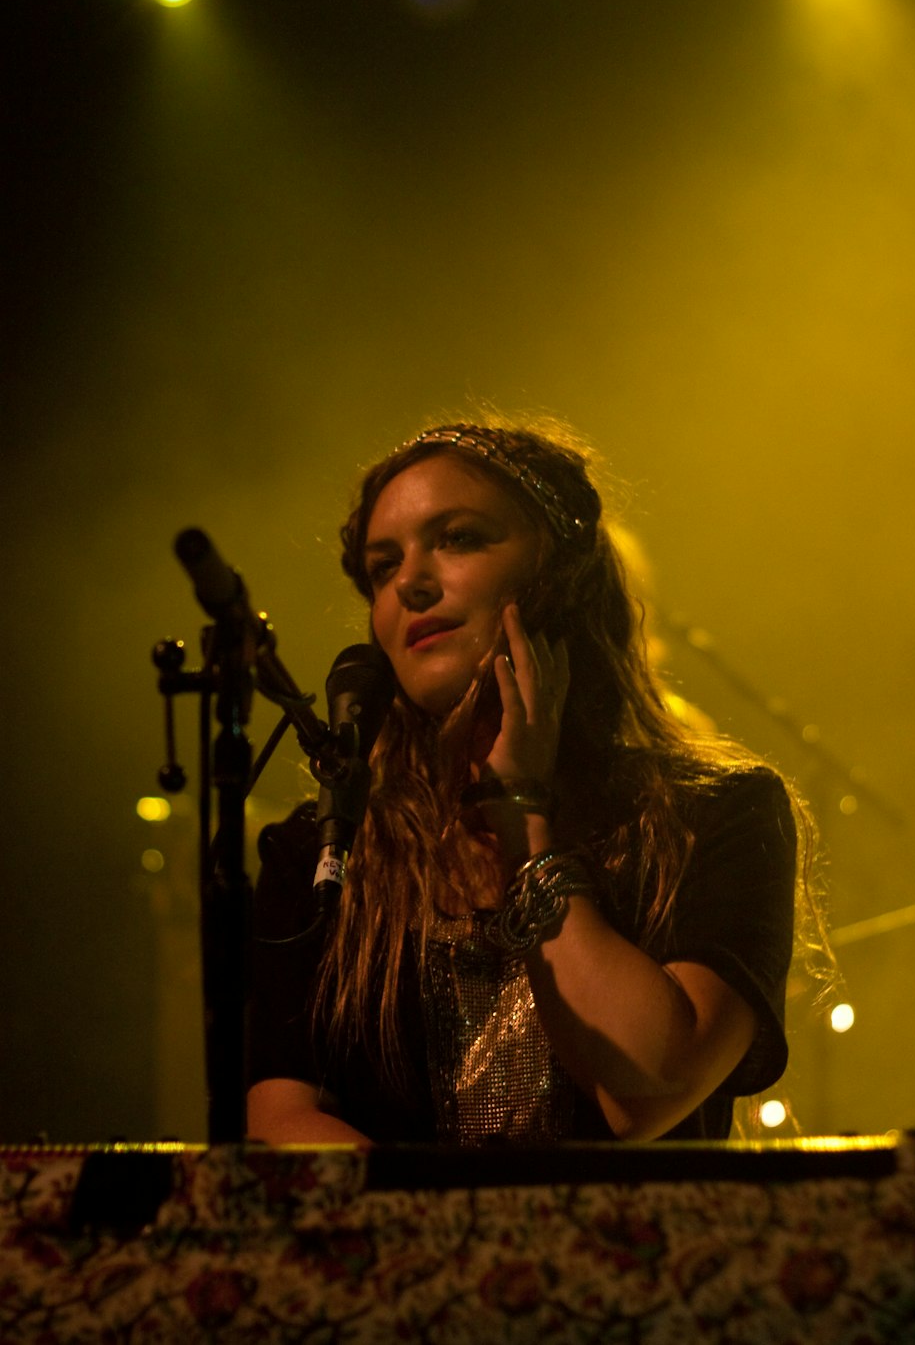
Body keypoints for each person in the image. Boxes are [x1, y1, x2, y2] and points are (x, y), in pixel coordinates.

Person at [246, 419, 818, 1146]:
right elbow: (282, 1116)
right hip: (396, 1258)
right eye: (383, 567)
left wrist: (527, 823)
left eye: (457, 538)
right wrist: (437, 1247)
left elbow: (644, 1090)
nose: (411, 584)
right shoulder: (325, 847)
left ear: (560, 580)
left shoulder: (719, 813)